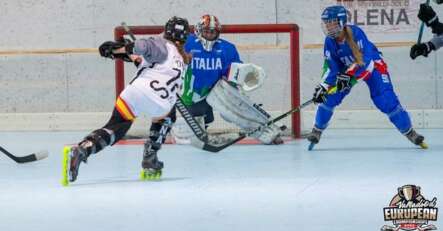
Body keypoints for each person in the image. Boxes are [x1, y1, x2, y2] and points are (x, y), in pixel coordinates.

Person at [66, 16, 190, 182]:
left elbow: (140, 47)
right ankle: (150, 156)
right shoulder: (184, 60)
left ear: (166, 31)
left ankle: (82, 149)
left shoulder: (161, 43)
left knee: (116, 128)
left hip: (136, 92)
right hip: (162, 103)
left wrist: (116, 51)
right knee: (169, 114)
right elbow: (143, 60)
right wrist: (126, 52)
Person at [307, 5, 427, 150]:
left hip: (372, 65)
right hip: (348, 71)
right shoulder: (329, 42)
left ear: (341, 21)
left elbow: (366, 63)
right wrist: (324, 87)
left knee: (385, 99)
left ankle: (410, 132)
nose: (328, 26)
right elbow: (331, 68)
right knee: (329, 97)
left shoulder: (357, 33)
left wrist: (349, 76)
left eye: (331, 22)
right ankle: (317, 130)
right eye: (326, 22)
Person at [178, 14, 284, 145]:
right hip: (193, 92)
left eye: (213, 32)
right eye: (206, 31)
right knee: (192, 135)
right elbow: (167, 45)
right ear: (199, 30)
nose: (210, 35)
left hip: (217, 89)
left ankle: (267, 131)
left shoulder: (227, 48)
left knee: (239, 109)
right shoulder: (187, 43)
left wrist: (241, 78)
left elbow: (234, 72)